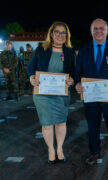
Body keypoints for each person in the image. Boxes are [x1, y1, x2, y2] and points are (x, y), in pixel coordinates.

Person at [75, 18, 108, 166]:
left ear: (107, 31)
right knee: (92, 126)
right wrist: (78, 83)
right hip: (90, 96)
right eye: (95, 28)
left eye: (101, 28)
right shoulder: (83, 51)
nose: (98, 31)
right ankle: (94, 152)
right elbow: (78, 72)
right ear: (91, 31)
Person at [27, 21, 75, 164]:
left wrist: (72, 79)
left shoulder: (70, 51)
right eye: (57, 32)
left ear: (67, 35)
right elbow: (31, 67)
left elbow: (74, 71)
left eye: (63, 32)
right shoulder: (41, 49)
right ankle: (51, 149)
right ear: (51, 33)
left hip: (61, 93)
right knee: (47, 124)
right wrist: (31, 77)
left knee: (61, 123)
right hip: (43, 94)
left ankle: (59, 148)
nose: (60, 35)